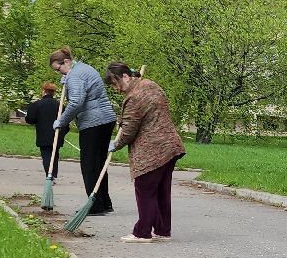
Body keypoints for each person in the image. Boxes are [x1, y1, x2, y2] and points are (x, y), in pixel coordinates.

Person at [104, 63, 186, 243]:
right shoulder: (151, 85)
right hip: (170, 145)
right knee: (161, 191)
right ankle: (163, 231)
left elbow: (129, 131)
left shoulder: (134, 97)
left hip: (151, 150)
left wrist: (116, 144)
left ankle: (142, 232)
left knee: (145, 190)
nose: (116, 89)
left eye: (115, 83)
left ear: (125, 76)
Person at [48, 47, 117, 214]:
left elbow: (76, 103)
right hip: (107, 119)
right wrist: (67, 79)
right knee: (99, 164)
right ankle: (104, 202)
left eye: (59, 69)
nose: (60, 73)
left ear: (66, 62)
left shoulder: (75, 75)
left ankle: (95, 206)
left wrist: (62, 121)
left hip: (93, 122)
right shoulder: (84, 69)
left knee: (89, 164)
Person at [21, 81, 63, 181]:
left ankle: (49, 175)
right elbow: (65, 119)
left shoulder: (37, 104)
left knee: (46, 155)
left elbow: (30, 119)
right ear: (53, 93)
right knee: (55, 154)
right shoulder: (59, 105)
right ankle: (53, 174)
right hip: (57, 134)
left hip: (43, 135)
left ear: (44, 91)